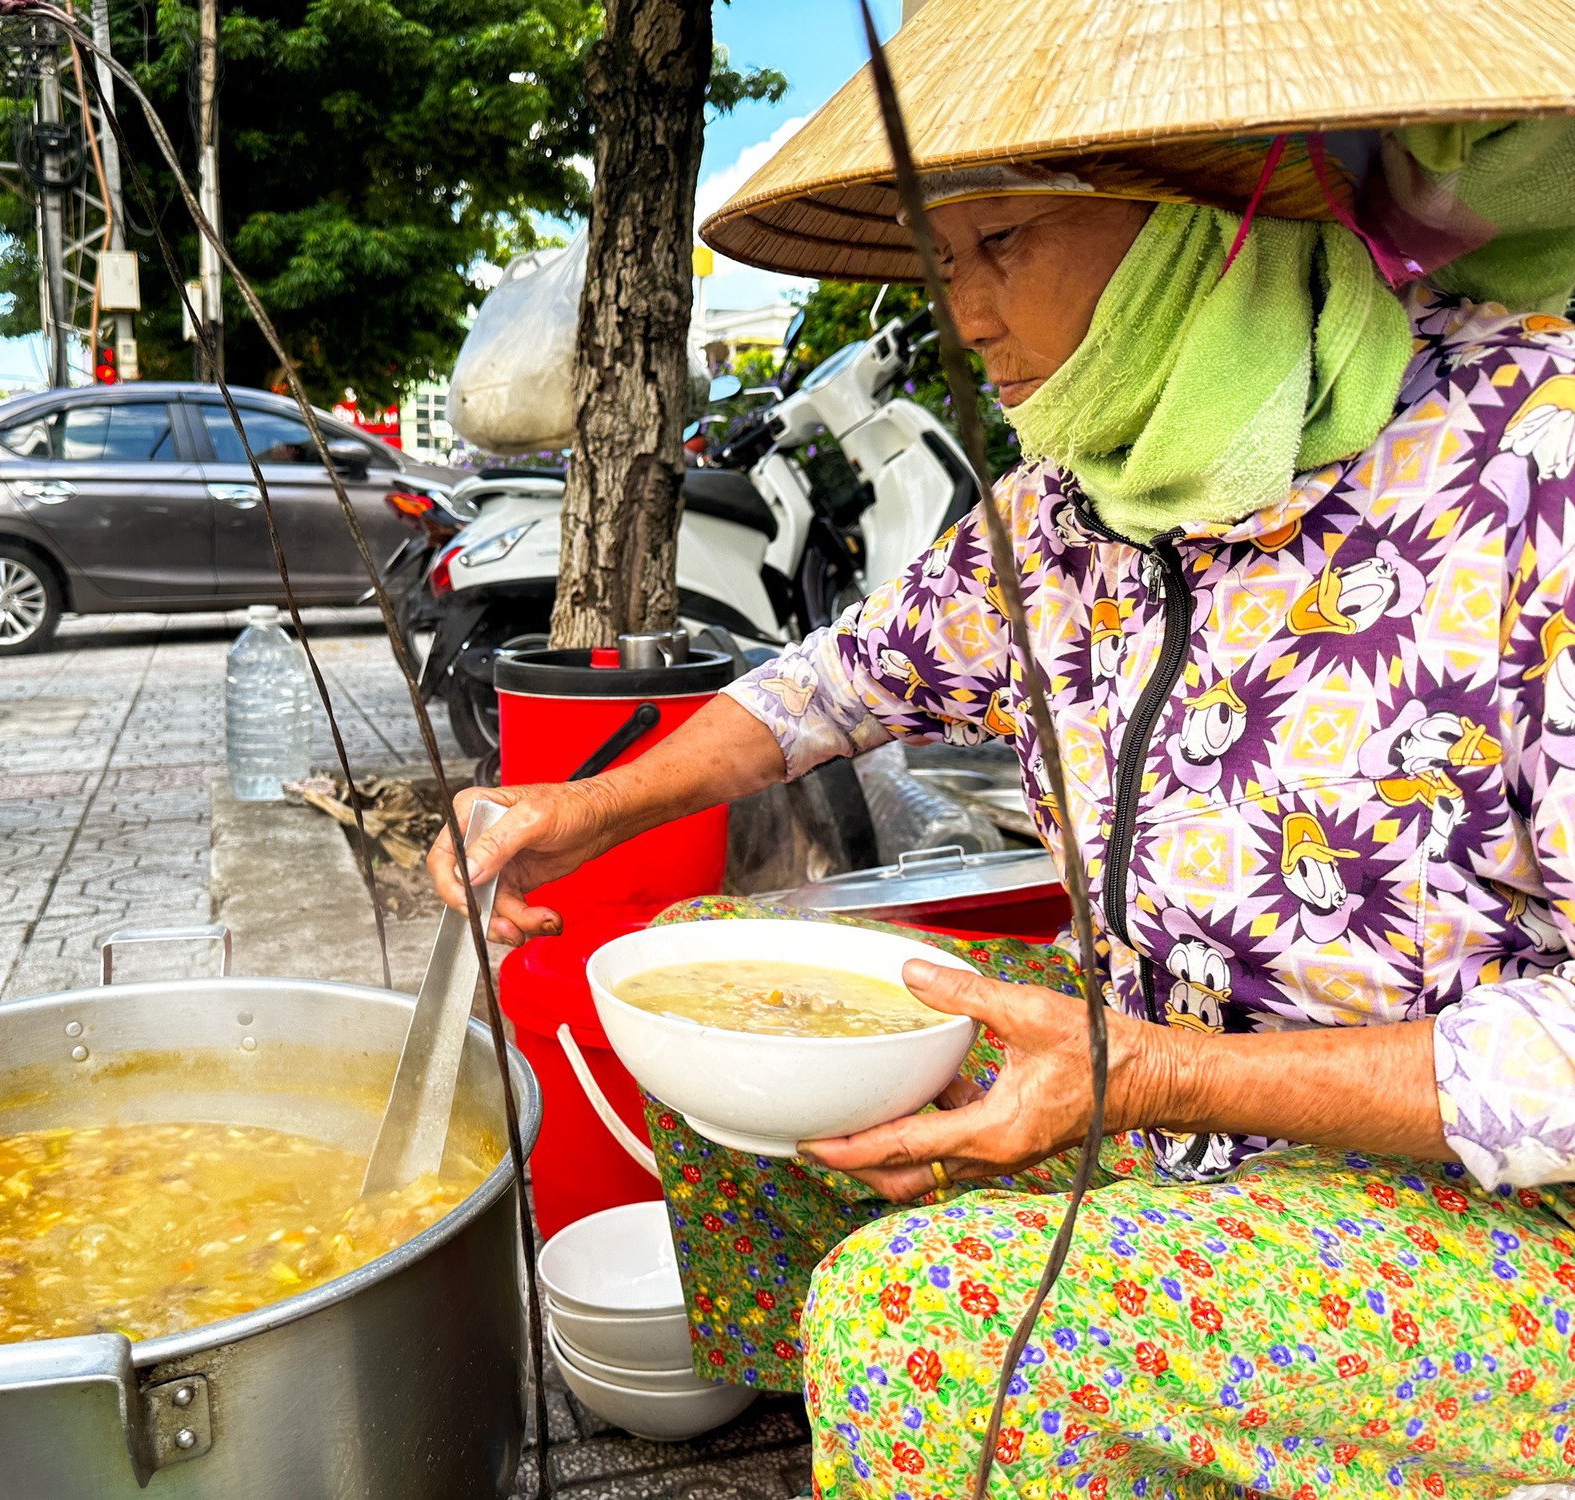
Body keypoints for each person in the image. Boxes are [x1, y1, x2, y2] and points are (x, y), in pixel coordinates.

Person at [428, 5, 1575, 1495]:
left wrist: (1157, 1080)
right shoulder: (1072, 506)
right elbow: (835, 686)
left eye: (1008, 243)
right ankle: (883, 1439)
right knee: (708, 972)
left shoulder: (1529, 471)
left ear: (1208, 216)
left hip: (1506, 1213)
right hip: (1171, 1076)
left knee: (926, 1321)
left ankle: (923, 1394)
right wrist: (581, 811)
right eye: (942, 257)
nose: (966, 314)